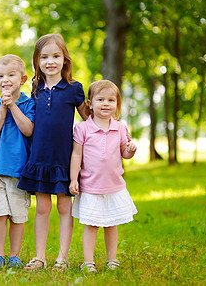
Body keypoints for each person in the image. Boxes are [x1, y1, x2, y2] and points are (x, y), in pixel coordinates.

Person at [19, 34, 89, 270]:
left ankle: (62, 257)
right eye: (45, 57)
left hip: (63, 159)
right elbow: (24, 112)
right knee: (42, 208)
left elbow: (89, 118)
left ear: (65, 60)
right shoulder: (36, 88)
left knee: (64, 207)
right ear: (37, 61)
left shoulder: (74, 89)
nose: (50, 61)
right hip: (39, 158)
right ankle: (40, 257)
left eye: (56, 56)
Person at [69, 80, 137, 273]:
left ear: (117, 104)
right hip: (91, 186)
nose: (106, 104)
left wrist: (130, 150)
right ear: (90, 102)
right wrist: (74, 179)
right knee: (91, 224)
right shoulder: (82, 128)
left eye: (111, 100)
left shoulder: (120, 128)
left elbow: (125, 152)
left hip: (114, 186)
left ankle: (111, 259)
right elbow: (76, 155)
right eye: (100, 99)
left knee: (111, 224)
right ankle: (88, 261)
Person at [0, 54, 35, 268]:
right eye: (0, 76)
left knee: (17, 216)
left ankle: (14, 255)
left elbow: (29, 129)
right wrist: (3, 106)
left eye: (11, 75)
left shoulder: (28, 103)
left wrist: (13, 105)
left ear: (22, 79)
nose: (5, 79)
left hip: (20, 171)